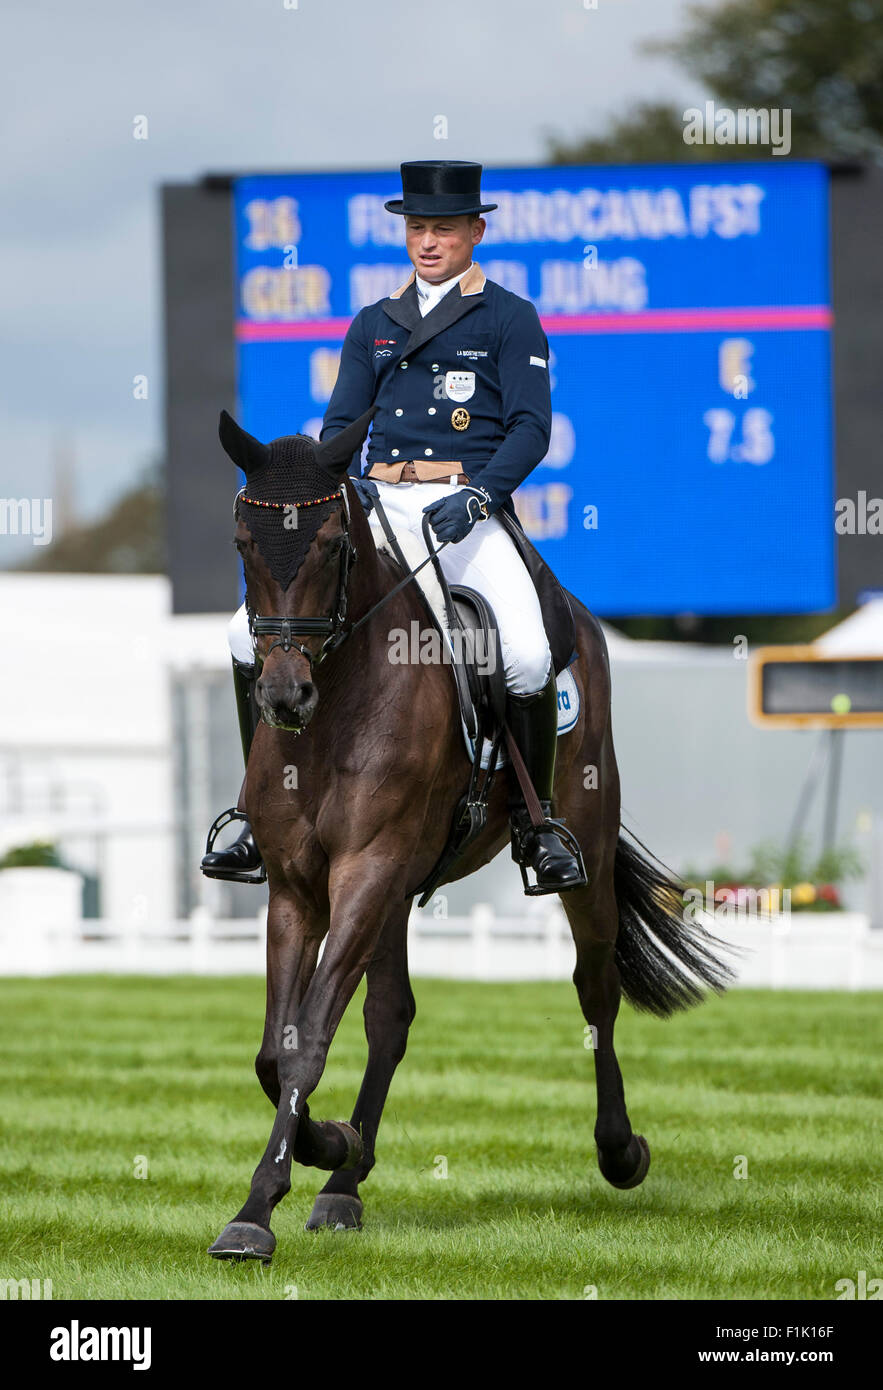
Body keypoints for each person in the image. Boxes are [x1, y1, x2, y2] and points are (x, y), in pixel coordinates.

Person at [202, 160, 586, 894]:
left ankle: (538, 830)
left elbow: (532, 429)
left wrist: (479, 496)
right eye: (417, 228)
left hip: (463, 511)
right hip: (378, 503)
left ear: (475, 231)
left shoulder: (508, 317)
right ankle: (254, 812)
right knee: (234, 633)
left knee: (530, 655)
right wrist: (334, 490)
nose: (428, 241)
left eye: (443, 228)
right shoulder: (374, 324)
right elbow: (341, 426)